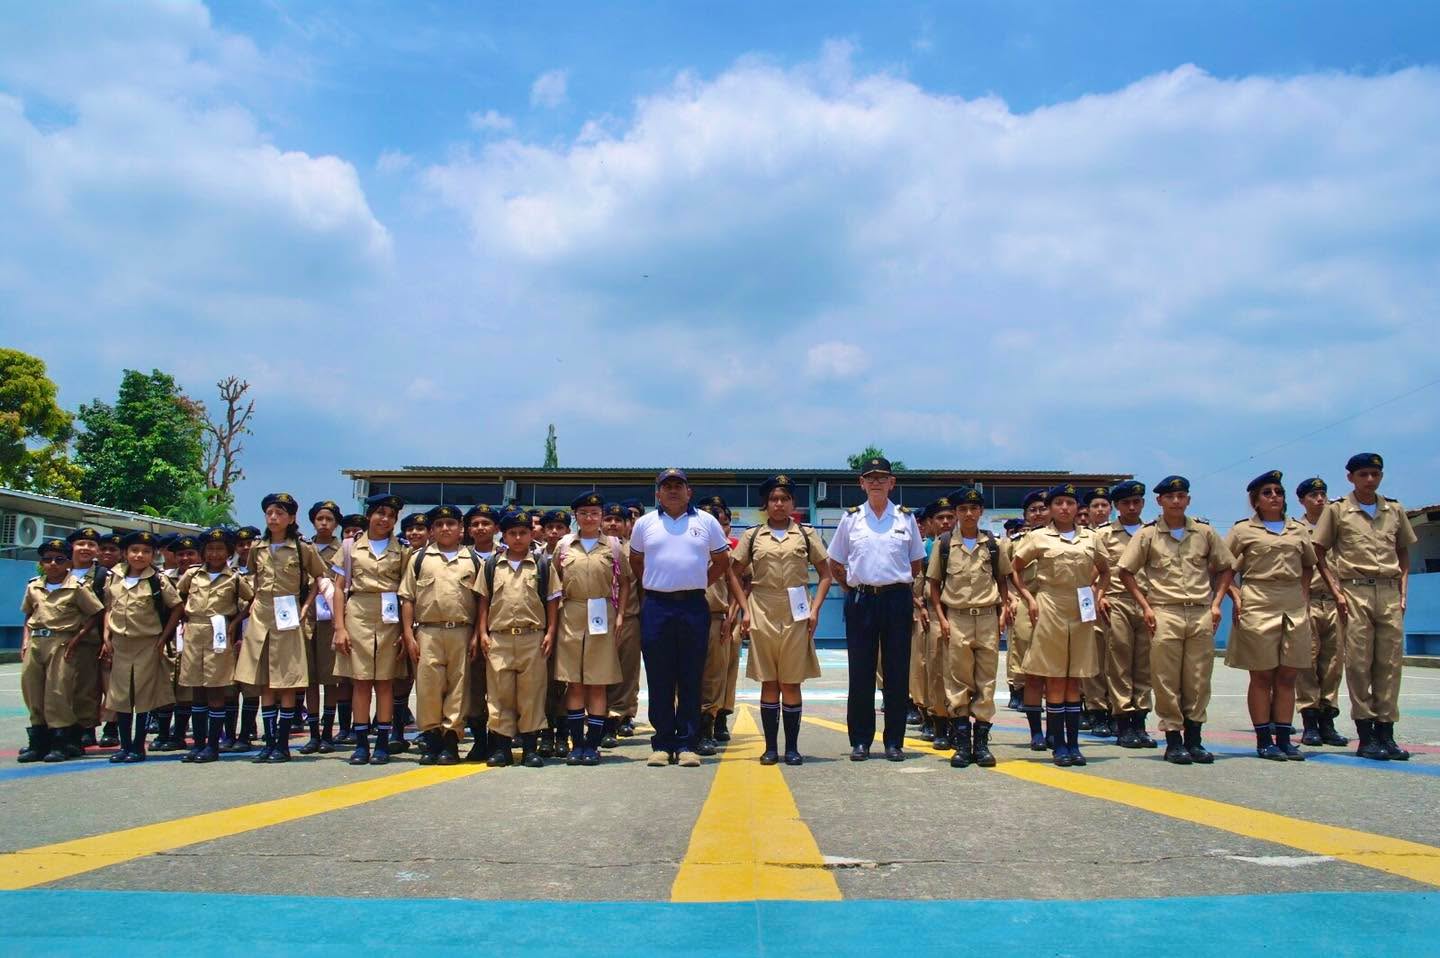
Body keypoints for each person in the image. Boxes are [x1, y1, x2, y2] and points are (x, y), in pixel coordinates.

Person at [1118, 476, 1236, 765]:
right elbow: (1125, 571)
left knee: (1198, 677)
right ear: (1159, 501)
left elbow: (1227, 567)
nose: (1176, 501)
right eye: (1170, 496)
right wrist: (1145, 605)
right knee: (1166, 678)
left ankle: (1194, 738)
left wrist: (1217, 603)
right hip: (1165, 611)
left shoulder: (1204, 533)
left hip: (1199, 611)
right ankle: (1173, 738)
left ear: (1188, 500)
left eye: (1181, 496)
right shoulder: (1147, 535)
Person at [1312, 453, 1418, 761]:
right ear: (1351, 478)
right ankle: (1367, 734)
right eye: (1363, 474)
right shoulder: (1338, 510)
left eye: (1375, 474)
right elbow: (1319, 550)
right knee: (1358, 663)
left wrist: (1403, 591)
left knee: (1390, 664)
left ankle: (1387, 731)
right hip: (1354, 590)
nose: (1370, 480)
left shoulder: (1394, 510)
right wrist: (1336, 590)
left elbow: (1403, 553)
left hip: (1387, 591)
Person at [628, 468, 732, 768]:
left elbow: (722, 561)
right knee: (660, 675)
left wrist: (699, 580)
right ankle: (662, 743)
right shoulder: (645, 524)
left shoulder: (706, 521)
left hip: (693, 605)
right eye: (667, 486)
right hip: (657, 606)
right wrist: (654, 581)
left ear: (689, 491)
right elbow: (637, 560)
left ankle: (687, 743)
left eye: (679, 486)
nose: (673, 491)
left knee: (691, 674)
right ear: (658, 493)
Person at [826, 456, 926, 762]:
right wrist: (852, 588)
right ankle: (860, 741)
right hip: (862, 600)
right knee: (861, 673)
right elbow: (835, 562)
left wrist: (893, 586)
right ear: (862, 483)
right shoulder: (851, 518)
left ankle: (894, 741)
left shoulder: (905, 519)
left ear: (892, 483)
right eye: (870, 478)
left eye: (882, 477)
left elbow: (916, 563)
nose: (876, 482)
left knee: (896, 673)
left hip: (897, 599)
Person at [731, 475, 832, 765]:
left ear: (793, 503)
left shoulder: (806, 534)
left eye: (784, 499)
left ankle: (792, 748)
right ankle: (770, 748)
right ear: (765, 504)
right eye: (774, 499)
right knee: (768, 681)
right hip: (762, 607)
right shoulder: (753, 536)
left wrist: (815, 609)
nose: (779, 504)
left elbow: (826, 574)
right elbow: (733, 572)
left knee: (791, 681)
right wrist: (745, 610)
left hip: (796, 609)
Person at [1011, 484, 1111, 767]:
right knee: (1054, 677)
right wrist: (1029, 598)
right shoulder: (1038, 537)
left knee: (1075, 677)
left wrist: (1097, 594)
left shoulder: (1091, 538)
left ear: (1077, 508)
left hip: (1081, 604)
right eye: (1059, 503)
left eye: (1069, 503)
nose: (1064, 508)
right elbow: (1014, 569)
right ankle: (1058, 745)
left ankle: (1074, 744)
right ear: (1052, 508)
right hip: (1050, 604)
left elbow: (1105, 572)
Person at [1223, 470, 1318, 761]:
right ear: (1255, 500)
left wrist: (1302, 594)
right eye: (1267, 493)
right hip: (1258, 601)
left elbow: (1308, 565)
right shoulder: (1242, 531)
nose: (1274, 496)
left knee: (1289, 674)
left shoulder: (1297, 529)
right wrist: (1237, 596)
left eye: (1278, 491)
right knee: (1262, 674)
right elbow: (1224, 568)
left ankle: (1285, 737)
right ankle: (1264, 738)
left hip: (1292, 602)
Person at [236, 493, 333, 764]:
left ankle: (282, 744)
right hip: (262, 617)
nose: (274, 518)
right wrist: (254, 601)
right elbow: (253, 577)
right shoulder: (258, 547)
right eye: (269, 512)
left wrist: (305, 607)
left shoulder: (303, 548)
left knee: (287, 680)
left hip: (289, 613)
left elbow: (319, 578)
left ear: (291, 518)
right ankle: (268, 743)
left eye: (280, 513)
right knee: (266, 680)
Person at [926, 485, 1011, 768]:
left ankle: (982, 744)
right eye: (962, 509)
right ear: (957, 513)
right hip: (958, 618)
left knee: (986, 680)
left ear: (981, 511)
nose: (969, 514)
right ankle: (962, 743)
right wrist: (942, 617)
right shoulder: (945, 544)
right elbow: (934, 585)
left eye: (974, 509)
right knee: (958, 680)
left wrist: (1003, 612)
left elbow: (1003, 581)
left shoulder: (995, 544)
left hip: (987, 617)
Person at [472, 509, 561, 767]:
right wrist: (481, 633)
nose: (518, 538)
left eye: (523, 532)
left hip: (532, 637)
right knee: (500, 694)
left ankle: (530, 747)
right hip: (499, 637)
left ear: (531, 534)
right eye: (513, 533)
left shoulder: (542, 564)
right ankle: (502, 748)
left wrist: (551, 632)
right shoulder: (491, 565)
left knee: (532, 693)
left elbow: (552, 601)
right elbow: (483, 601)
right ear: (504, 535)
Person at [331, 493, 408, 766]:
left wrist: (404, 630)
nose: (384, 519)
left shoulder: (403, 550)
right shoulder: (350, 547)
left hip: (390, 618)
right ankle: (361, 742)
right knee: (361, 682)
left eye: (390, 515)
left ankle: (383, 744)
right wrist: (339, 627)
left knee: (385, 682)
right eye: (380, 513)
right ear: (369, 516)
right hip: (359, 613)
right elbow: (339, 589)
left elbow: (407, 593)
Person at [553, 493, 629, 766]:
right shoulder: (564, 545)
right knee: (574, 682)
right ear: (576, 516)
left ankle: (593, 746)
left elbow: (626, 581)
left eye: (595, 513)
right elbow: (554, 583)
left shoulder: (613, 546)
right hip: (570, 614)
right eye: (584, 512)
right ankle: (577, 744)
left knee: (597, 683)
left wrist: (620, 614)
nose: (590, 517)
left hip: (602, 613)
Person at [400, 505, 477, 766]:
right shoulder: (419, 559)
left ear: (461, 529)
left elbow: (481, 601)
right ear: (432, 530)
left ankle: (451, 741)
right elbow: (408, 598)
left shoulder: (473, 560)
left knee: (458, 687)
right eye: (440, 524)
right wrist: (409, 635)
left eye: (451, 523)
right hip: (428, 631)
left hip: (462, 631)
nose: (446, 528)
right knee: (428, 687)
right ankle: (431, 738)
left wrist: (478, 634)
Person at [18, 538, 105, 762]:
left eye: (59, 559)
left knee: (58, 691)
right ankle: (38, 741)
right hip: (37, 641)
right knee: (32, 690)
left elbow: (95, 613)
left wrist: (78, 639)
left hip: (62, 641)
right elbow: (28, 615)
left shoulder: (76, 587)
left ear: (68, 562)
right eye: (47, 559)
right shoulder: (34, 586)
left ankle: (62, 741)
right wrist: (25, 641)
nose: (53, 564)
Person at [101, 531, 183, 763]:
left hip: (147, 643)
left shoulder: (158, 580)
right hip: (120, 645)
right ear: (126, 553)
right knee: (121, 697)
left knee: (143, 697)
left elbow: (177, 607)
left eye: (146, 551)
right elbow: (109, 607)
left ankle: (138, 746)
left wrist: (163, 638)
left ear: (153, 555)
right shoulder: (114, 577)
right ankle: (124, 746)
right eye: (135, 550)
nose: (140, 555)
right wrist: (107, 636)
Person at [175, 527, 254, 763]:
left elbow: (251, 600)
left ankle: (212, 745)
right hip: (195, 632)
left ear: (229, 552)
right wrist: (183, 619)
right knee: (196, 689)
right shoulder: (192, 575)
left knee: (215, 688)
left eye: (220, 549)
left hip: (219, 631)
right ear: (203, 552)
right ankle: (198, 744)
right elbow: (177, 598)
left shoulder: (235, 577)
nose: (215, 554)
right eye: (210, 549)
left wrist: (235, 623)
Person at [1094, 481, 1157, 749]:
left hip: (1149, 603)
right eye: (1126, 503)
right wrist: (1100, 597)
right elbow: (1096, 570)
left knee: (1145, 664)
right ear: (1116, 507)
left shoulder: (1154, 532)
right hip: (1116, 601)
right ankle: (1122, 720)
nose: (1132, 507)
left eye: (1137, 502)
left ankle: (1140, 721)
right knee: (1119, 662)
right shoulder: (1104, 535)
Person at [1294, 477, 1348, 747]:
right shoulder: (1295, 528)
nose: (1320, 499)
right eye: (1313, 495)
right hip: (1308, 600)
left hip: (1336, 601)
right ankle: (1310, 720)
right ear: (1302, 500)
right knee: (1307, 661)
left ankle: (1329, 718)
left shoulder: (1339, 527)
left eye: (1322, 494)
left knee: (1334, 662)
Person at [301, 499, 347, 754]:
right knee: (310, 678)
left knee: (331, 679)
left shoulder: (342, 550)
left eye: (329, 519)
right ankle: (314, 734)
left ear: (336, 523)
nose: (324, 523)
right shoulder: (302, 548)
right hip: (307, 618)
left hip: (332, 618)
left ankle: (328, 733)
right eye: (320, 519)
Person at [698, 496, 743, 755]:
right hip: (689, 616)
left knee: (718, 673)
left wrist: (734, 615)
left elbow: (739, 583)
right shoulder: (685, 546)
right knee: (686, 674)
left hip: (720, 616)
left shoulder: (727, 550)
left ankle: (712, 721)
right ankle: (688, 724)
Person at [461, 504, 503, 760]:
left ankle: (501, 739)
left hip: (502, 631)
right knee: (474, 688)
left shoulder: (510, 554)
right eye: (475, 524)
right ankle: (479, 740)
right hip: (467, 633)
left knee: (502, 689)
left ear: (496, 528)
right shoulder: (461, 557)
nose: (480, 528)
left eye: (486, 523)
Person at [62, 527, 108, 749]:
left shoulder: (102, 577)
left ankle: (85, 728)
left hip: (89, 639)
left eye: (91, 545)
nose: (86, 549)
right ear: (72, 547)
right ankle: (60, 728)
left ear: (97, 550)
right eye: (81, 544)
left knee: (86, 686)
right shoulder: (60, 572)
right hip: (57, 638)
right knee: (59, 686)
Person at [603, 502, 643, 742]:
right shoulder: (594, 549)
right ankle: (600, 715)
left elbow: (643, 588)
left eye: (619, 520)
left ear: (628, 525)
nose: (613, 524)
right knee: (601, 669)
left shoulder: (636, 553)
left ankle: (621, 715)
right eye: (608, 519)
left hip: (629, 618)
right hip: (599, 619)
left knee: (627, 671)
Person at [1079, 487, 1114, 737]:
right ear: (1088, 511)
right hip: (1089, 599)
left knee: (1118, 660)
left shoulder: (1126, 533)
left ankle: (1118, 710)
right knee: (1093, 657)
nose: (1100, 510)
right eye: (1095, 506)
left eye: (1104, 505)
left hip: (1120, 601)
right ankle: (1095, 709)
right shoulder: (1084, 537)